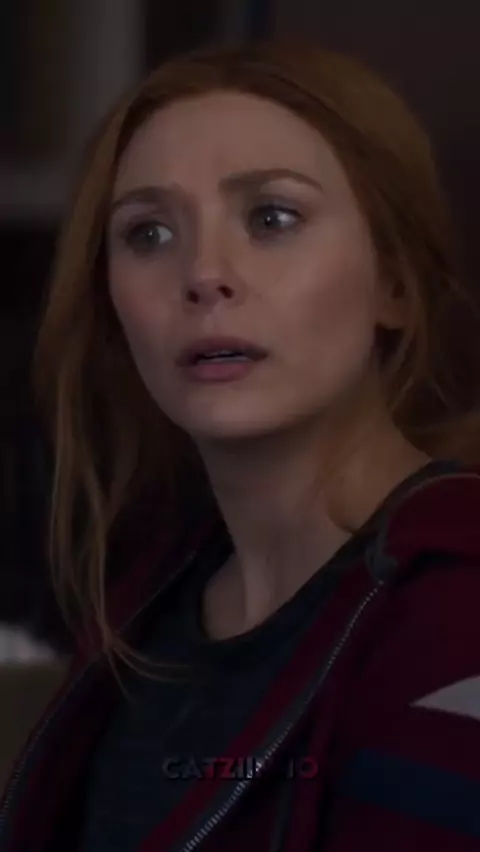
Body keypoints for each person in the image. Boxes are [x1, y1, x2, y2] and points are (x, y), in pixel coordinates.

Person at [1, 40, 480, 852]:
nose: (203, 274)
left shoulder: (457, 604)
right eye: (149, 233)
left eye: (272, 218)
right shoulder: (144, 603)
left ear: (394, 282)